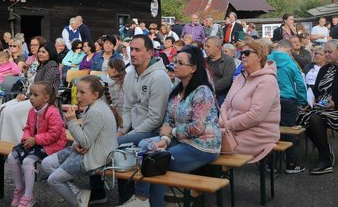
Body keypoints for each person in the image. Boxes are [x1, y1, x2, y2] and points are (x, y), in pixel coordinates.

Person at [122, 45, 221, 207]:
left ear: (193, 68)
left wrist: (171, 133)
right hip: (181, 140)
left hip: (202, 145)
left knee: (156, 161)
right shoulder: (177, 90)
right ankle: (146, 200)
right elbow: (168, 120)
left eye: (180, 63)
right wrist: (166, 139)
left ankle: (143, 199)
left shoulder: (202, 92)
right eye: (174, 62)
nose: (174, 66)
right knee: (145, 145)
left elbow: (198, 128)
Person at [89, 34, 172, 205]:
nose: (132, 53)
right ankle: (121, 199)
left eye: (137, 50)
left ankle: (134, 200)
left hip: (154, 132)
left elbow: (156, 119)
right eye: (131, 49)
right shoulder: (131, 74)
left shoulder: (159, 77)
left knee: (116, 146)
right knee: (109, 143)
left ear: (149, 53)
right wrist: (121, 130)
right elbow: (127, 109)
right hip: (135, 128)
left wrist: (128, 136)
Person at [41, 75, 118, 207]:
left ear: (94, 95)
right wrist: (76, 144)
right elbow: (86, 136)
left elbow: (86, 142)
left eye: (82, 92)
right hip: (87, 150)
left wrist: (71, 122)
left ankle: (77, 203)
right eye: (77, 91)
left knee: (53, 180)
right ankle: (77, 193)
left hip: (96, 157)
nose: (78, 96)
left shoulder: (96, 111)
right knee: (46, 163)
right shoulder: (93, 106)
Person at [297, 40, 338, 175]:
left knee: (314, 118)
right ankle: (325, 152)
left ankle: (325, 159)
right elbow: (316, 91)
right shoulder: (324, 69)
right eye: (325, 52)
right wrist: (308, 104)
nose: (327, 54)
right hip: (323, 108)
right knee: (301, 116)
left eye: (329, 52)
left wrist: (335, 104)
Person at [220, 39, 280, 166]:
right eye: (241, 52)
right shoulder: (240, 77)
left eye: (246, 53)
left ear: (259, 56)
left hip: (257, 134)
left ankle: (208, 182)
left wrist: (227, 125)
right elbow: (225, 104)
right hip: (232, 130)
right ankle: (206, 182)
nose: (242, 55)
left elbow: (256, 116)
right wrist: (223, 123)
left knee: (206, 147)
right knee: (201, 143)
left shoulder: (267, 81)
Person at [8, 81, 66, 207]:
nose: (31, 97)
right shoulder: (32, 111)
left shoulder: (53, 112)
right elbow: (28, 127)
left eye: (35, 95)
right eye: (30, 94)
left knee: (28, 161)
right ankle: (20, 189)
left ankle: (29, 196)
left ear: (46, 98)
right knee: (11, 156)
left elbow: (54, 134)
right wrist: (27, 138)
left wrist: (35, 140)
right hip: (36, 142)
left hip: (51, 145)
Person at [0, 39, 60, 143]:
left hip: (43, 102)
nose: (40, 54)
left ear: (50, 53)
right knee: (3, 108)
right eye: (40, 51)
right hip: (33, 97)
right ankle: (1, 139)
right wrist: (24, 95)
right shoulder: (42, 66)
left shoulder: (52, 67)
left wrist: (27, 97)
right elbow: (31, 85)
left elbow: (44, 89)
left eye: (44, 52)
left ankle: (16, 141)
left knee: (10, 112)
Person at [269, 46, 308, 173]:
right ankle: (292, 163)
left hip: (270, 99)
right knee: (289, 131)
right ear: (287, 51)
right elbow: (300, 83)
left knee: (270, 130)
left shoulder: (267, 61)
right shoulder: (291, 63)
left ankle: (271, 164)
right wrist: (302, 101)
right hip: (288, 100)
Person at [204, 36, 235, 106]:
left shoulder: (228, 60)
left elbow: (227, 79)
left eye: (208, 46)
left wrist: (210, 88)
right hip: (204, 93)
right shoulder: (204, 61)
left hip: (221, 94)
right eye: (205, 46)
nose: (205, 49)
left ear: (217, 47)